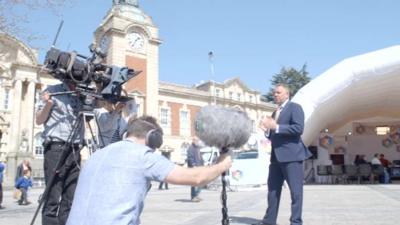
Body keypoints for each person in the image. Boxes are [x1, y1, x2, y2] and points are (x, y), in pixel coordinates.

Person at [66, 116, 232, 225]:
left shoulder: (97, 155)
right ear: (153, 138)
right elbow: (196, 178)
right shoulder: (141, 155)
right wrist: (222, 164)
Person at [257, 84, 311, 225]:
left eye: (278, 92)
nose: (275, 95)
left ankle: (296, 222)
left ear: (287, 94)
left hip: (292, 156)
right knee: (272, 190)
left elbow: (299, 128)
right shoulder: (275, 112)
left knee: (295, 192)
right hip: (275, 157)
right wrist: (267, 129)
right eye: (274, 93)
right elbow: (274, 134)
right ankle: (269, 221)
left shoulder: (295, 107)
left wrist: (276, 126)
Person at [36, 81, 83, 225]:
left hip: (75, 148)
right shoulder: (53, 90)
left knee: (70, 198)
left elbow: (101, 105)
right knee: (52, 197)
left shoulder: (83, 93)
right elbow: (39, 119)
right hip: (56, 147)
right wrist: (49, 103)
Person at [186, 136, 205, 202]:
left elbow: (200, 158)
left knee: (199, 182)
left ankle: (197, 195)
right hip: (194, 168)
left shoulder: (197, 148)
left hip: (199, 167)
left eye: (198, 140)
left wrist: (203, 164)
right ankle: (193, 196)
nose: (198, 141)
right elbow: (190, 158)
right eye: (196, 140)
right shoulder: (191, 148)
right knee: (194, 182)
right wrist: (193, 165)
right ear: (193, 140)